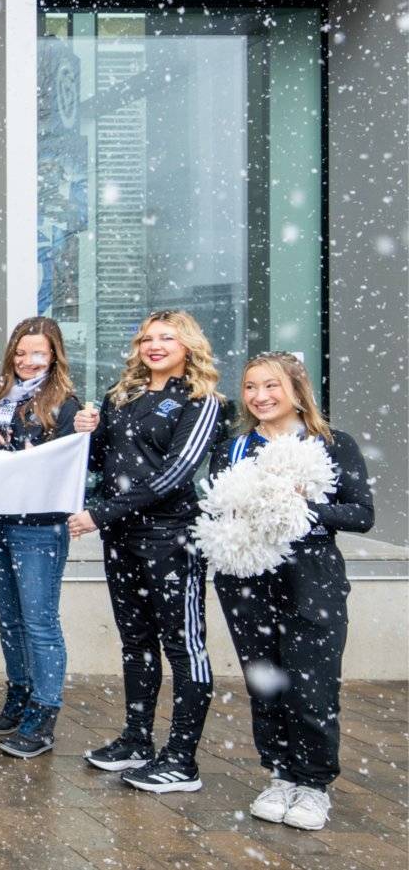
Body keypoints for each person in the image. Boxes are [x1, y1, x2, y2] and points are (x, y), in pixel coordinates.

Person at [210, 353, 371, 831]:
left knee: (312, 685)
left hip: (311, 578)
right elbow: (219, 508)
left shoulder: (332, 444)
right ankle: (280, 775)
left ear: (297, 390)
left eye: (271, 386)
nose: (260, 396)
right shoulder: (233, 448)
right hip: (246, 579)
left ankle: (313, 784)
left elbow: (361, 514)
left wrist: (300, 506)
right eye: (251, 387)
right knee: (266, 681)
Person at [71, 309, 224, 794]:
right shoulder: (123, 397)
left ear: (188, 346)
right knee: (135, 641)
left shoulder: (202, 401)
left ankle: (181, 759)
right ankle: (137, 739)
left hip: (171, 536)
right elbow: (100, 462)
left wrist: (102, 512)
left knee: (183, 646)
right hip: (123, 538)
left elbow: (176, 474)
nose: (154, 346)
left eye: (167, 338)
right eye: (146, 339)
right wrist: (85, 431)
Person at [0, 316, 96, 759]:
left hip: (39, 527)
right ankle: (19, 695)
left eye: (39, 353)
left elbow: (70, 463)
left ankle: (44, 714)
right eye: (21, 353)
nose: (28, 361)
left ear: (55, 356)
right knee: (8, 618)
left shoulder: (66, 402)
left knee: (40, 622)